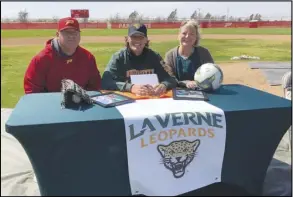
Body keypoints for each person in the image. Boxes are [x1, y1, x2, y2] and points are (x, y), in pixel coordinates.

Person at [24, 17, 101, 94]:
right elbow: (32, 91)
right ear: (57, 35)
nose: (71, 36)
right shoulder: (42, 59)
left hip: (80, 103)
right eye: (66, 32)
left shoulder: (88, 57)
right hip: (50, 104)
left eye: (75, 32)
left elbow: (94, 86)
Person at [101, 23, 177, 96]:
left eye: (140, 37)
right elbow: (105, 82)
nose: (137, 40)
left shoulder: (154, 57)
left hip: (151, 98)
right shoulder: (118, 57)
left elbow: (172, 79)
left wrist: (164, 85)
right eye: (134, 37)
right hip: (127, 100)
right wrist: (130, 87)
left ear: (146, 40)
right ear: (127, 39)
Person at [164, 19, 214, 89]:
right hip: (178, 94)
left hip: (202, 93)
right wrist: (186, 83)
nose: (187, 36)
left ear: (196, 37)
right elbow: (169, 78)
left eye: (192, 34)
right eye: (184, 33)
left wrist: (197, 83)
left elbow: (212, 75)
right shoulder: (170, 55)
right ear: (179, 35)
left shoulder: (204, 53)